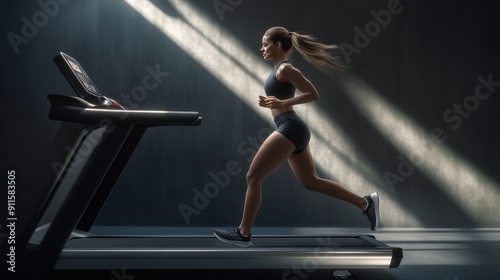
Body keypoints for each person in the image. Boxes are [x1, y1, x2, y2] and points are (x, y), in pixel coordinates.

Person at [214, 26, 379, 248]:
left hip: (290, 128)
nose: (261, 48)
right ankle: (365, 202)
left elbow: (313, 93)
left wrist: (282, 103)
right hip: (292, 128)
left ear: (278, 45)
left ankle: (244, 234)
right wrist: (274, 103)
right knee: (311, 182)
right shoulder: (278, 70)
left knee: (253, 177)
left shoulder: (285, 69)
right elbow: (284, 98)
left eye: (265, 43)